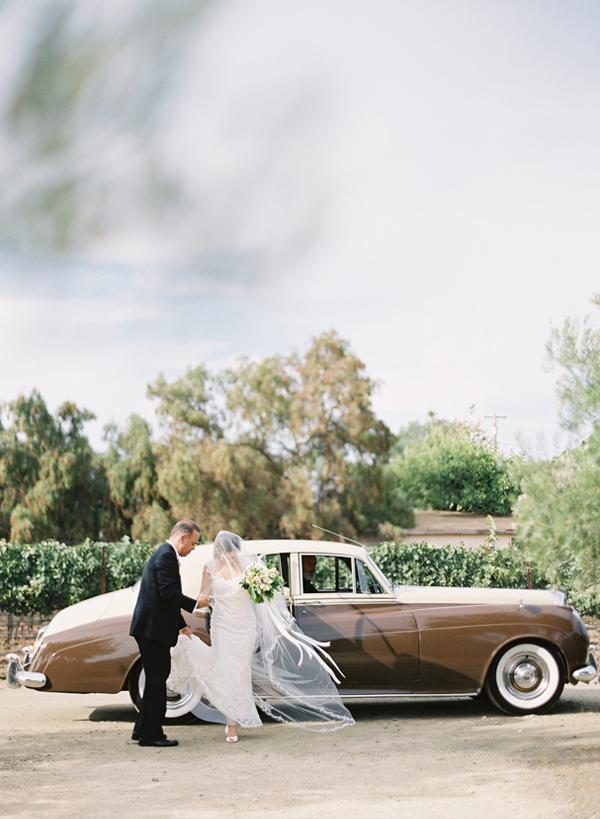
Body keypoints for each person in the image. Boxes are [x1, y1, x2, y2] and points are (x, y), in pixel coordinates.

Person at [169, 530, 354, 742]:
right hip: (222, 626)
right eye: (227, 554)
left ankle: (232, 724)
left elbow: (263, 598)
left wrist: (264, 586)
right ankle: (231, 717)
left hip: (245, 627)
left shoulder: (250, 568)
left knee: (239, 673)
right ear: (221, 553)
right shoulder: (210, 568)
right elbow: (202, 596)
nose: (231, 558)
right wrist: (201, 601)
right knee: (225, 669)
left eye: (234, 554)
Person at [129, 519, 208, 747]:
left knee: (156, 678)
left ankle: (141, 729)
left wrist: (181, 624)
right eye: (192, 543)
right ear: (182, 538)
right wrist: (195, 604)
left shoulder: (165, 554)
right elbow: (168, 594)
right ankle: (151, 735)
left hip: (151, 627)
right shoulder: (166, 556)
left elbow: (166, 600)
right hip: (152, 629)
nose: (192, 548)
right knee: (156, 680)